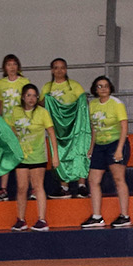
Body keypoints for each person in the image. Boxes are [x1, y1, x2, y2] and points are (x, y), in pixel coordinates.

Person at [82, 75, 131, 229]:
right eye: (100, 86)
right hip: (99, 145)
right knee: (93, 180)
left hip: (115, 143)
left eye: (106, 86)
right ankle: (97, 216)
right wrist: (91, 147)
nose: (103, 89)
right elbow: (94, 128)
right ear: (95, 89)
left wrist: (119, 149)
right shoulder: (93, 105)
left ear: (110, 88)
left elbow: (124, 126)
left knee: (118, 178)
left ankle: (125, 216)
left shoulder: (116, 104)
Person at [5, 83, 56, 232]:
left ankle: (42, 220)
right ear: (23, 97)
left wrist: (55, 156)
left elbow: (51, 133)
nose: (32, 98)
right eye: (28, 95)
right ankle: (21, 219)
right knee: (22, 187)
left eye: (34, 96)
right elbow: (9, 128)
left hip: (38, 156)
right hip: (21, 156)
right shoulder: (16, 111)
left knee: (38, 186)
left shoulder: (42, 112)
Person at [41, 58, 87, 198]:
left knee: (79, 152)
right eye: (56, 67)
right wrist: (48, 101)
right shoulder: (47, 87)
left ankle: (82, 185)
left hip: (74, 126)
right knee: (60, 154)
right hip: (57, 128)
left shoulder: (74, 85)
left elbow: (83, 102)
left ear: (66, 69)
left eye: (62, 67)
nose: (59, 70)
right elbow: (41, 104)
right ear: (52, 70)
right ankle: (64, 187)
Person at [0, 54, 30, 202]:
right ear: (4, 68)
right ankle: (3, 189)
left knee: (26, 155)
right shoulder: (1, 83)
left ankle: (30, 187)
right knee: (6, 154)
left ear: (18, 66)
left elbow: (29, 102)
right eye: (9, 64)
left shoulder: (24, 82)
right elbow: (0, 105)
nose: (12, 67)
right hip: (6, 124)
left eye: (14, 64)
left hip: (21, 124)